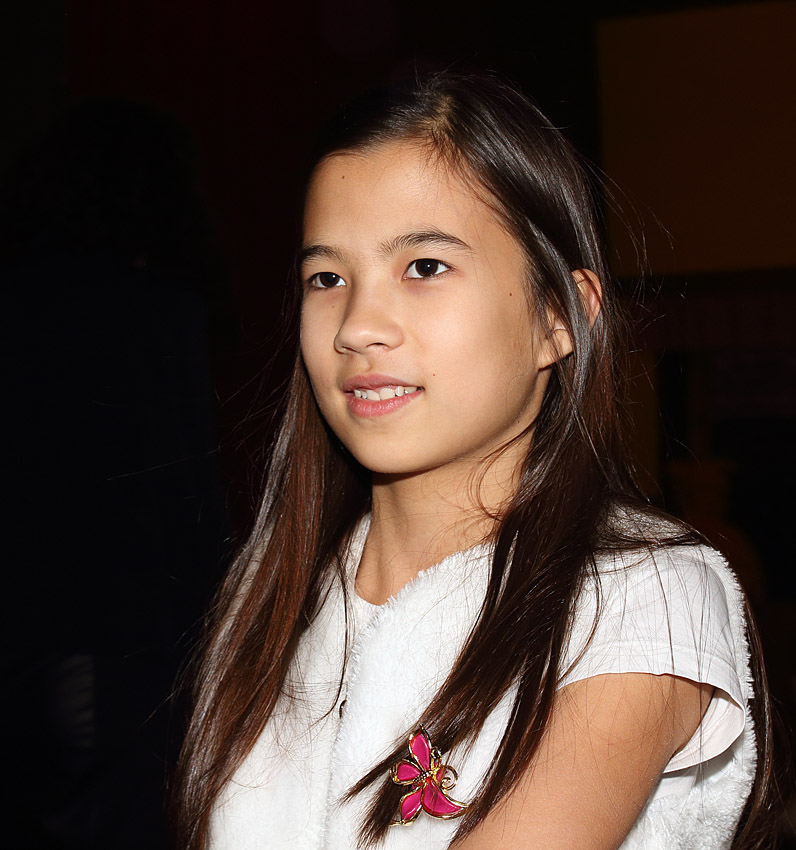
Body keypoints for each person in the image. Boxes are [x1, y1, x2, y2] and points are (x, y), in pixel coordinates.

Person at [173, 72, 773, 849]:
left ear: (558, 316)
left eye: (424, 266)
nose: (356, 325)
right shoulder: (274, 590)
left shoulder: (641, 593)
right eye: (327, 278)